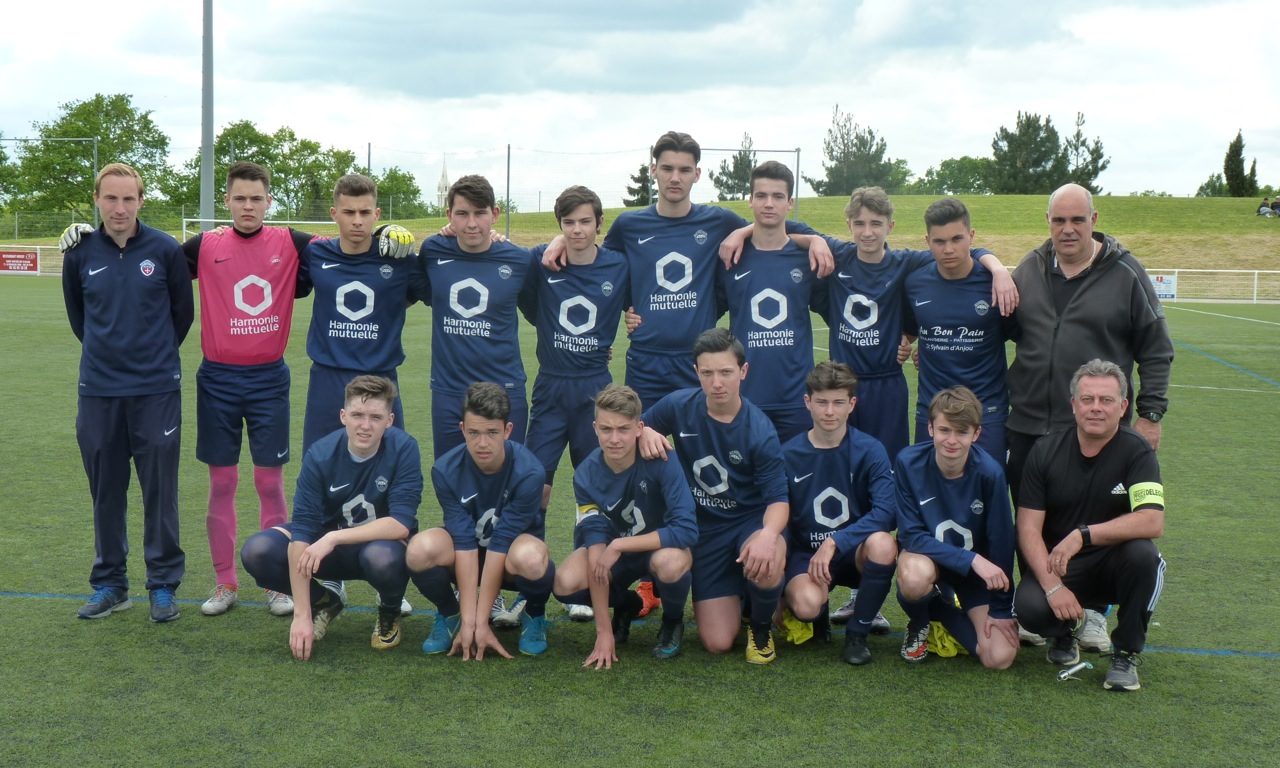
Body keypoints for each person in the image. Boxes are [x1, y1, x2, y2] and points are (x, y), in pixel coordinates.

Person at [783, 187, 1014, 624]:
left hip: (888, 387)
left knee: (885, 486)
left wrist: (998, 267)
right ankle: (844, 584)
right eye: (859, 223)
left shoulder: (909, 262)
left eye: (876, 224)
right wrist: (812, 239)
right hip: (843, 387)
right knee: (844, 481)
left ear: (891, 227)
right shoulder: (837, 254)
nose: (867, 232)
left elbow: (963, 246)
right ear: (848, 226)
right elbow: (785, 229)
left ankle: (879, 588)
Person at [1007, 182, 1173, 650]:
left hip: (1096, 426)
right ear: (1048, 223)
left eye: (1077, 220)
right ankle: (1049, 604)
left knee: (1102, 520)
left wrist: (1150, 414)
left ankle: (1096, 613)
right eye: (1059, 220)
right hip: (1027, 425)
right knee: (1031, 521)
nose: (1068, 229)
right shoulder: (1030, 270)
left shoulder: (1124, 273)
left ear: (1094, 221)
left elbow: (1156, 348)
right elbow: (993, 326)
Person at [62, 162, 194, 623]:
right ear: (97, 199)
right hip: (98, 390)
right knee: (106, 490)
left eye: (128, 199)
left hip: (156, 390)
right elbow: (79, 319)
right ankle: (110, 584)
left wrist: (150, 359)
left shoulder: (164, 250)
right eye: (111, 198)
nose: (120, 208)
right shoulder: (79, 252)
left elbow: (182, 315)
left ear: (141, 200)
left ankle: (162, 585)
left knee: (159, 490)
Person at [239, 375, 423, 659]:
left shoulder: (404, 448)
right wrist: (301, 614)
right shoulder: (320, 454)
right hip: (327, 550)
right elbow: (301, 530)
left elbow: (400, 523)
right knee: (257, 551)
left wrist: (334, 537)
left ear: (389, 420)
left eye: (375, 417)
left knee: (383, 559)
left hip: (379, 547)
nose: (365, 425)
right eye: (357, 415)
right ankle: (322, 602)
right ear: (343, 416)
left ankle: (389, 611)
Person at [638, 328, 789, 664]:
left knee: (769, 556)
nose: (717, 382)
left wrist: (767, 535)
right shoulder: (678, 405)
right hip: (703, 530)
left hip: (748, 523)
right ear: (697, 373)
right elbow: (633, 425)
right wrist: (644, 430)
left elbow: (778, 501)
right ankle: (735, 601)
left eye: (726, 372)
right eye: (707, 373)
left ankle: (761, 626)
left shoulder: (760, 430)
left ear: (743, 372)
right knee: (717, 642)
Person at [1014, 360, 1166, 691]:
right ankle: (1065, 632)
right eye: (1087, 399)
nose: (1096, 408)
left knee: (1145, 557)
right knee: (1027, 608)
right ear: (1073, 405)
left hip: (1115, 563)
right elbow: (1027, 528)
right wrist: (1054, 586)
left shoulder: (1138, 451)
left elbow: (1153, 520)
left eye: (1106, 400)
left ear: (1123, 406)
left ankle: (1125, 652)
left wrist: (1084, 535)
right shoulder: (1045, 450)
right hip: (1062, 565)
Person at [520, 186, 629, 622]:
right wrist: (555, 245)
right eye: (569, 223)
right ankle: (531, 593)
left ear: (599, 223)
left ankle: (586, 584)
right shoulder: (541, 262)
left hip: (594, 390)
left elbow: (635, 305)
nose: (578, 230)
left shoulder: (619, 265)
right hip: (550, 387)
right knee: (536, 490)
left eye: (585, 221)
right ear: (559, 226)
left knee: (595, 489)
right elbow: (530, 306)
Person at [405, 382, 557, 659]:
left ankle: (535, 614)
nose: (482, 443)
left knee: (531, 558)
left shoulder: (530, 471)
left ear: (508, 430)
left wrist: (480, 619)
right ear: (462, 429)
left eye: (492, 433)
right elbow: (463, 541)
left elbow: (500, 544)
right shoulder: (444, 470)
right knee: (418, 549)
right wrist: (470, 621)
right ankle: (449, 614)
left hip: (511, 561)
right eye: (473, 433)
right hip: (469, 555)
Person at [552, 384, 698, 666]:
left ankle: (672, 622)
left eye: (623, 429)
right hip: (613, 556)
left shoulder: (661, 458)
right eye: (606, 429)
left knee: (671, 563)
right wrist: (603, 632)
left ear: (639, 428)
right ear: (595, 428)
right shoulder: (585, 474)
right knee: (564, 582)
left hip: (657, 548)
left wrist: (619, 544)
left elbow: (686, 529)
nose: (615, 438)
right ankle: (627, 605)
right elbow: (595, 542)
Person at [780, 361, 897, 665]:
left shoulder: (870, 450)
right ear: (808, 403)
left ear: (851, 404)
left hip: (852, 551)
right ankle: (815, 614)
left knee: (883, 544)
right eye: (822, 402)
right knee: (806, 605)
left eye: (838, 402)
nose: (829, 411)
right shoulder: (788, 454)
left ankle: (857, 634)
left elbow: (886, 511)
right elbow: (779, 515)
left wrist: (836, 542)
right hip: (808, 554)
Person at [893, 387, 1018, 670]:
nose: (951, 440)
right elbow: (911, 536)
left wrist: (1000, 609)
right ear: (930, 428)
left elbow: (1001, 539)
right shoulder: (908, 462)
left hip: (975, 575)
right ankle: (921, 619)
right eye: (944, 430)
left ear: (976, 434)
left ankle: (940, 615)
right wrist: (971, 559)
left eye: (961, 432)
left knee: (998, 658)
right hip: (930, 562)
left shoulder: (990, 473)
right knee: (913, 578)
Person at [418, 175, 534, 460]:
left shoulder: (519, 260)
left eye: (480, 213)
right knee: (450, 475)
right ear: (449, 216)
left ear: (494, 214)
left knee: (508, 478)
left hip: (505, 387)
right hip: (449, 389)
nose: (471, 223)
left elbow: (547, 309)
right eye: (462, 214)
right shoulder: (433, 250)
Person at [904, 198, 1016, 466]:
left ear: (971, 236)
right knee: (930, 495)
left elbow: (1021, 338)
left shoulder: (995, 284)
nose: (949, 249)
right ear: (927, 240)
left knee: (986, 494)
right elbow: (909, 332)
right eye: (939, 241)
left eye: (957, 239)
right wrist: (909, 347)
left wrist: (999, 268)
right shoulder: (915, 283)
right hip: (932, 413)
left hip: (985, 413)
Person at [717, 161, 820, 443]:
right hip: (745, 397)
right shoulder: (731, 257)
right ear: (750, 201)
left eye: (777, 197)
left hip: (797, 397)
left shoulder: (806, 257)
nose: (768, 204)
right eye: (761, 196)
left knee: (797, 482)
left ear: (790, 203)